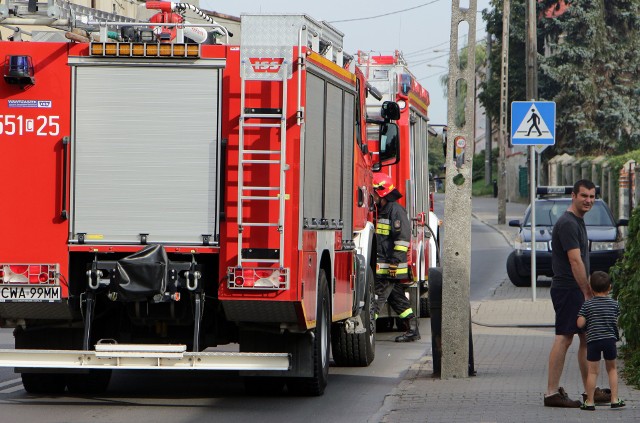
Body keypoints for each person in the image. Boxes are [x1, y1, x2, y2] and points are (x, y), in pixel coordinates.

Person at [544, 179, 612, 407]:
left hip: (574, 289)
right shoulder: (568, 223)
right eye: (584, 196)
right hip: (569, 289)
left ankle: (590, 391)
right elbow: (575, 260)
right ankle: (551, 393)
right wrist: (587, 292)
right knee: (564, 338)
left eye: (592, 197)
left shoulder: (577, 221)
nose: (589, 200)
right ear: (573, 196)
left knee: (585, 338)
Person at [371, 172, 419, 342]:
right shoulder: (384, 210)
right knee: (396, 297)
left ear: (382, 192)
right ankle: (412, 329)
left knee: (377, 298)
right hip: (385, 264)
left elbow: (402, 240)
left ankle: (366, 332)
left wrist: (394, 263)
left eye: (374, 192)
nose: (372, 196)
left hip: (390, 266)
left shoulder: (396, 211)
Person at [577, 271, 625, 410]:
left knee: (592, 372)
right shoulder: (614, 304)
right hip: (610, 340)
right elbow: (618, 319)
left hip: (593, 341)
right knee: (612, 369)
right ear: (609, 287)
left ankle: (590, 402)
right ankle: (615, 399)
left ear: (591, 288)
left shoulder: (588, 305)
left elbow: (580, 323)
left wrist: (584, 321)